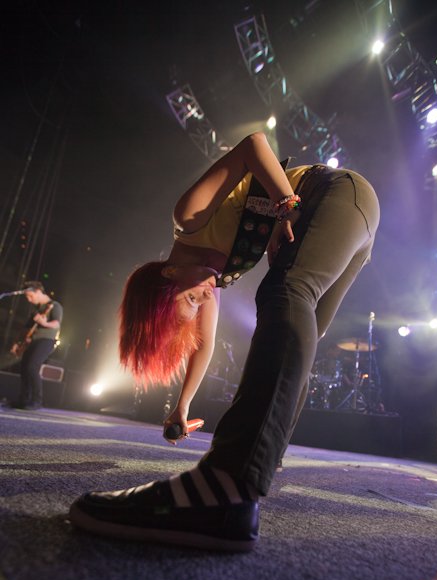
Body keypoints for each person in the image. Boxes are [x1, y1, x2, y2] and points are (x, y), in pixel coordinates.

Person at [69, 132, 380, 551]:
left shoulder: (189, 219)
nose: (203, 300)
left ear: (168, 274)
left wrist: (286, 206)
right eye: (198, 304)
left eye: (191, 300)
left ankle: (230, 477)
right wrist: (181, 407)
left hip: (335, 192)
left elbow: (253, 145)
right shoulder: (210, 280)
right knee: (303, 334)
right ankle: (261, 461)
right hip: (359, 217)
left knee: (285, 294)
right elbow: (203, 344)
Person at [9, 281, 63, 410]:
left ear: (38, 292)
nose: (29, 300)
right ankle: (24, 400)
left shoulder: (55, 306)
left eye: (30, 296)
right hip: (32, 341)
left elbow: (56, 324)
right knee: (24, 368)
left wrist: (44, 323)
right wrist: (16, 343)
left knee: (32, 367)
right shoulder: (36, 310)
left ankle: (37, 400)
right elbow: (25, 329)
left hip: (46, 340)